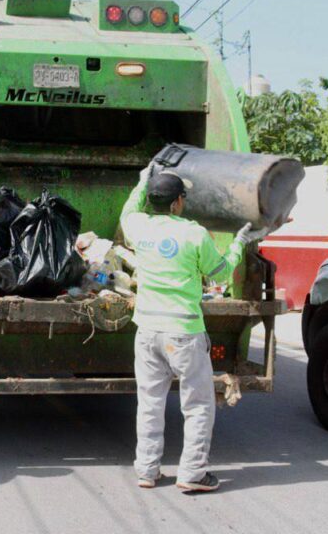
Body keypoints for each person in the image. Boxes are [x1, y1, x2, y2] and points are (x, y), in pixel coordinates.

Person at [120, 164, 271, 493]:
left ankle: (147, 470)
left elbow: (128, 210)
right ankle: (192, 473)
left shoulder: (138, 227)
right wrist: (239, 243)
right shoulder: (193, 233)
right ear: (176, 203)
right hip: (183, 332)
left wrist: (141, 181)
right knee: (198, 404)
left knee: (149, 402)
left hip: (146, 329)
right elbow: (218, 274)